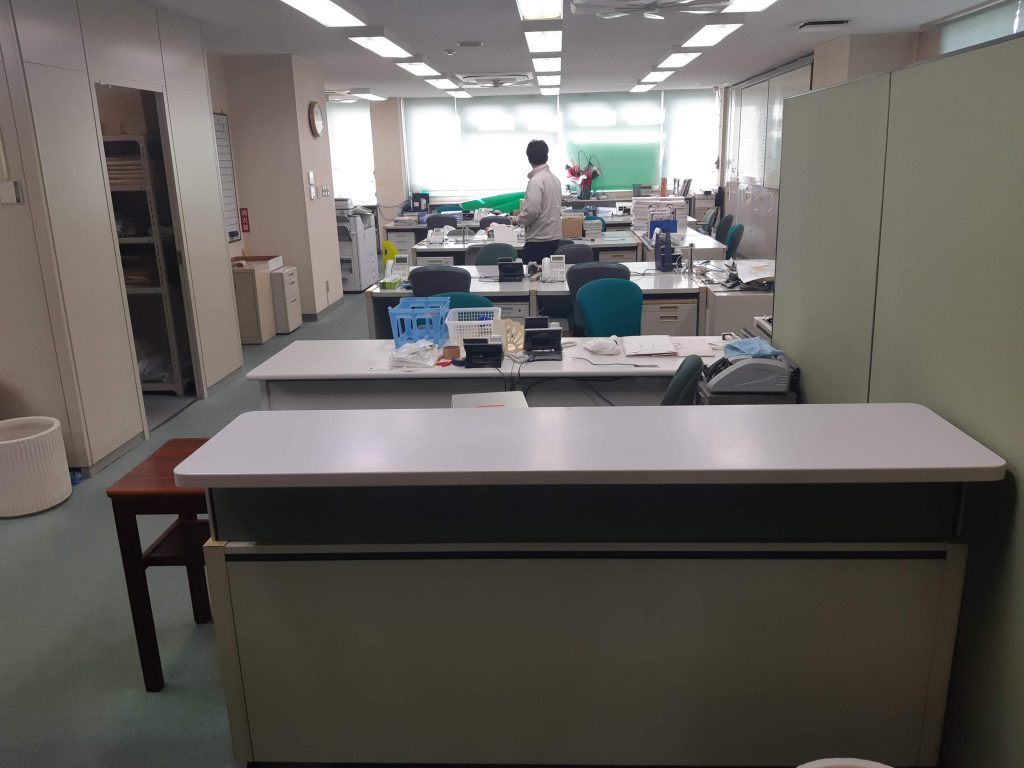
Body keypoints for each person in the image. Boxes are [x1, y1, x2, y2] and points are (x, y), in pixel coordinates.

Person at [515, 139, 562, 264]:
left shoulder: (535, 181)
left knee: (532, 275)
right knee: (548, 275)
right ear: (546, 156)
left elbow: (532, 211)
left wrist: (519, 220)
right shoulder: (555, 179)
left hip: (538, 241)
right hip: (554, 239)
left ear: (529, 159)